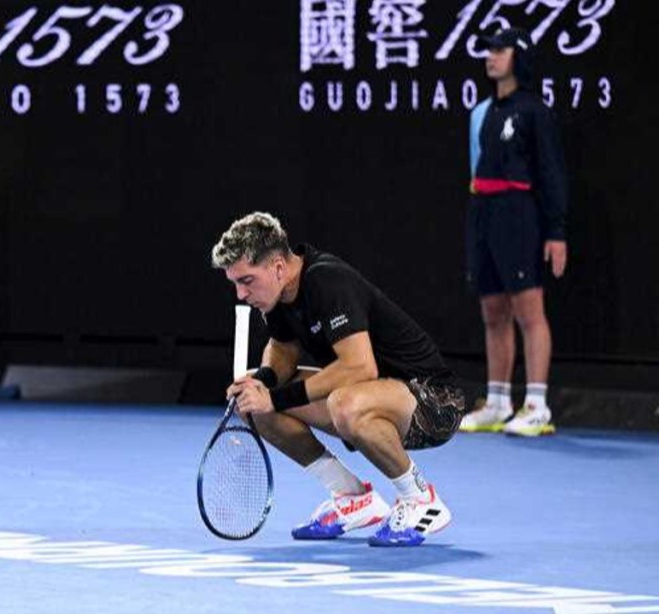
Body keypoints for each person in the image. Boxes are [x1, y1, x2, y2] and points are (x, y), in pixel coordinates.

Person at [212, 212, 465, 547]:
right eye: (235, 283)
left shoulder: (328, 282)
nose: (240, 294)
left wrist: (275, 398)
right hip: (375, 395)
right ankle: (351, 497)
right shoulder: (276, 296)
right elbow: (283, 350)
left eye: (246, 281)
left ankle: (420, 499)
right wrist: (264, 382)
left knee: (342, 403)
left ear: (276, 267)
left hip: (433, 402)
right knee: (255, 402)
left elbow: (360, 369)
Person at [460, 27, 569, 437]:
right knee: (493, 311)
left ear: (518, 56)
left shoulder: (535, 111)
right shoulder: (483, 113)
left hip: (519, 213)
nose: (491, 56)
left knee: (528, 310)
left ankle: (537, 404)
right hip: (483, 213)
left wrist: (555, 231)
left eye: (499, 49)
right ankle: (498, 401)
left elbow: (552, 173)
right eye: (488, 49)